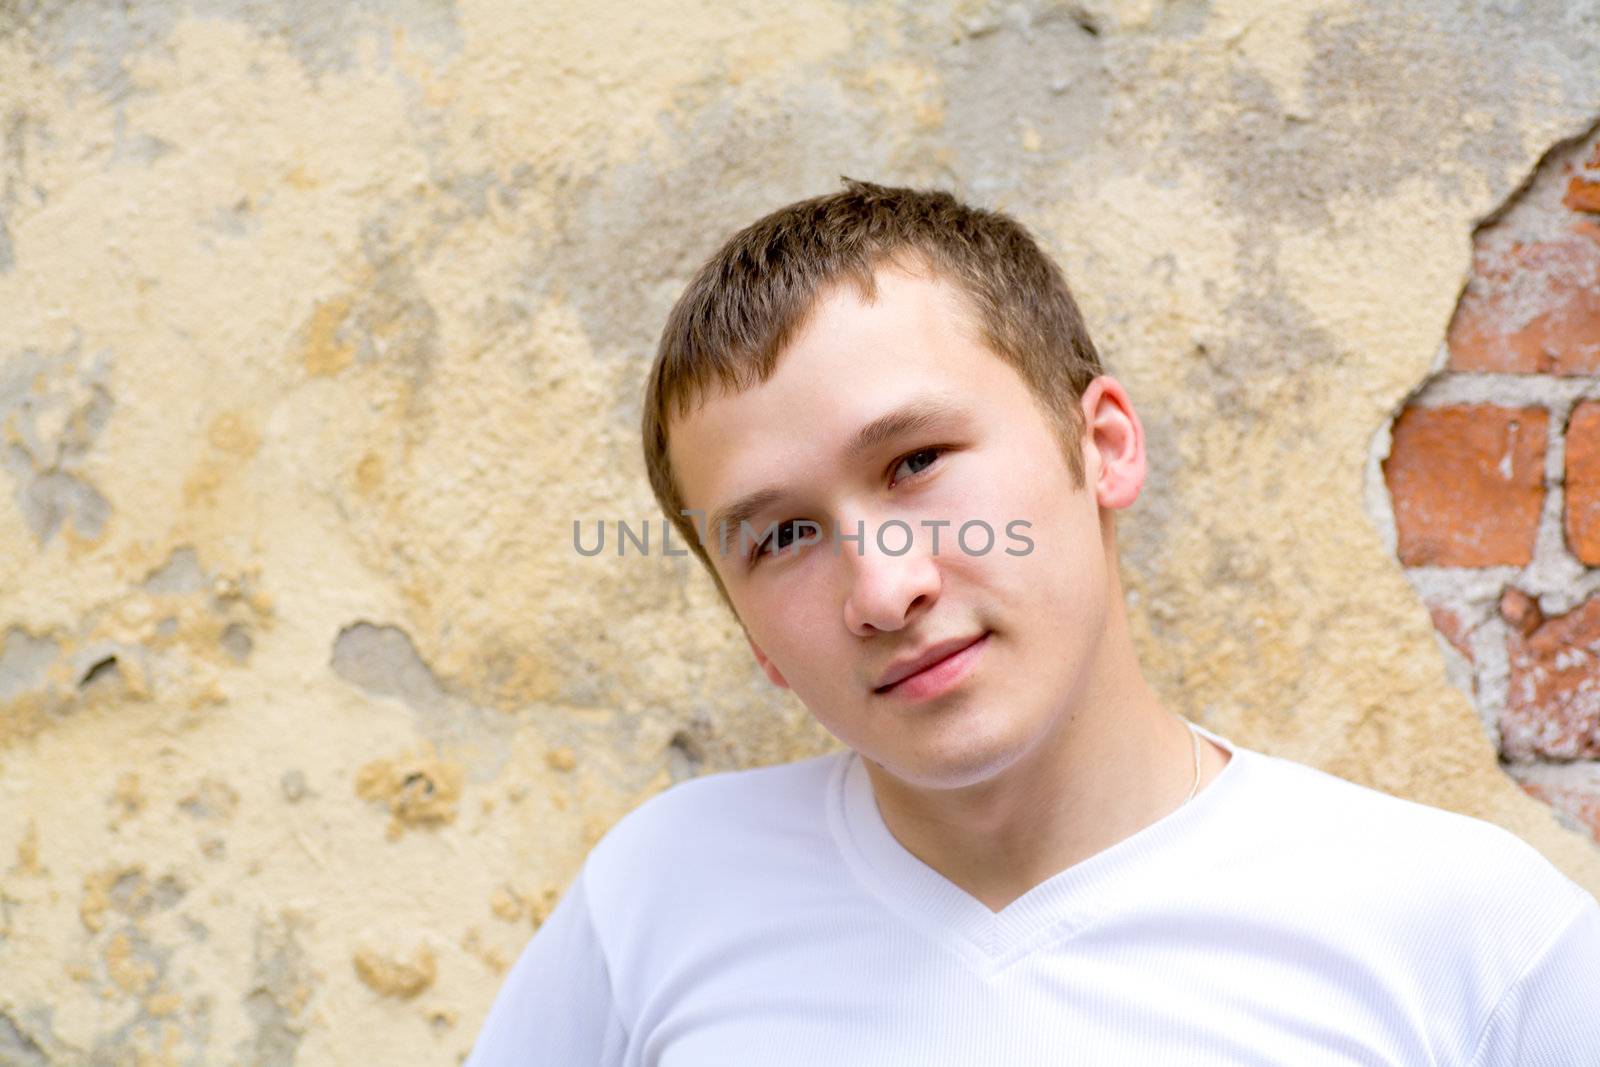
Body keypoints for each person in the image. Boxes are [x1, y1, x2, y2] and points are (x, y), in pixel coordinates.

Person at [466, 179, 1600, 1065]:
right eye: (782, 536)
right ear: (750, 629)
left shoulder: (1468, 935)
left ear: (1102, 446)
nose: (882, 588)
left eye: (915, 461)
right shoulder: (661, 895)